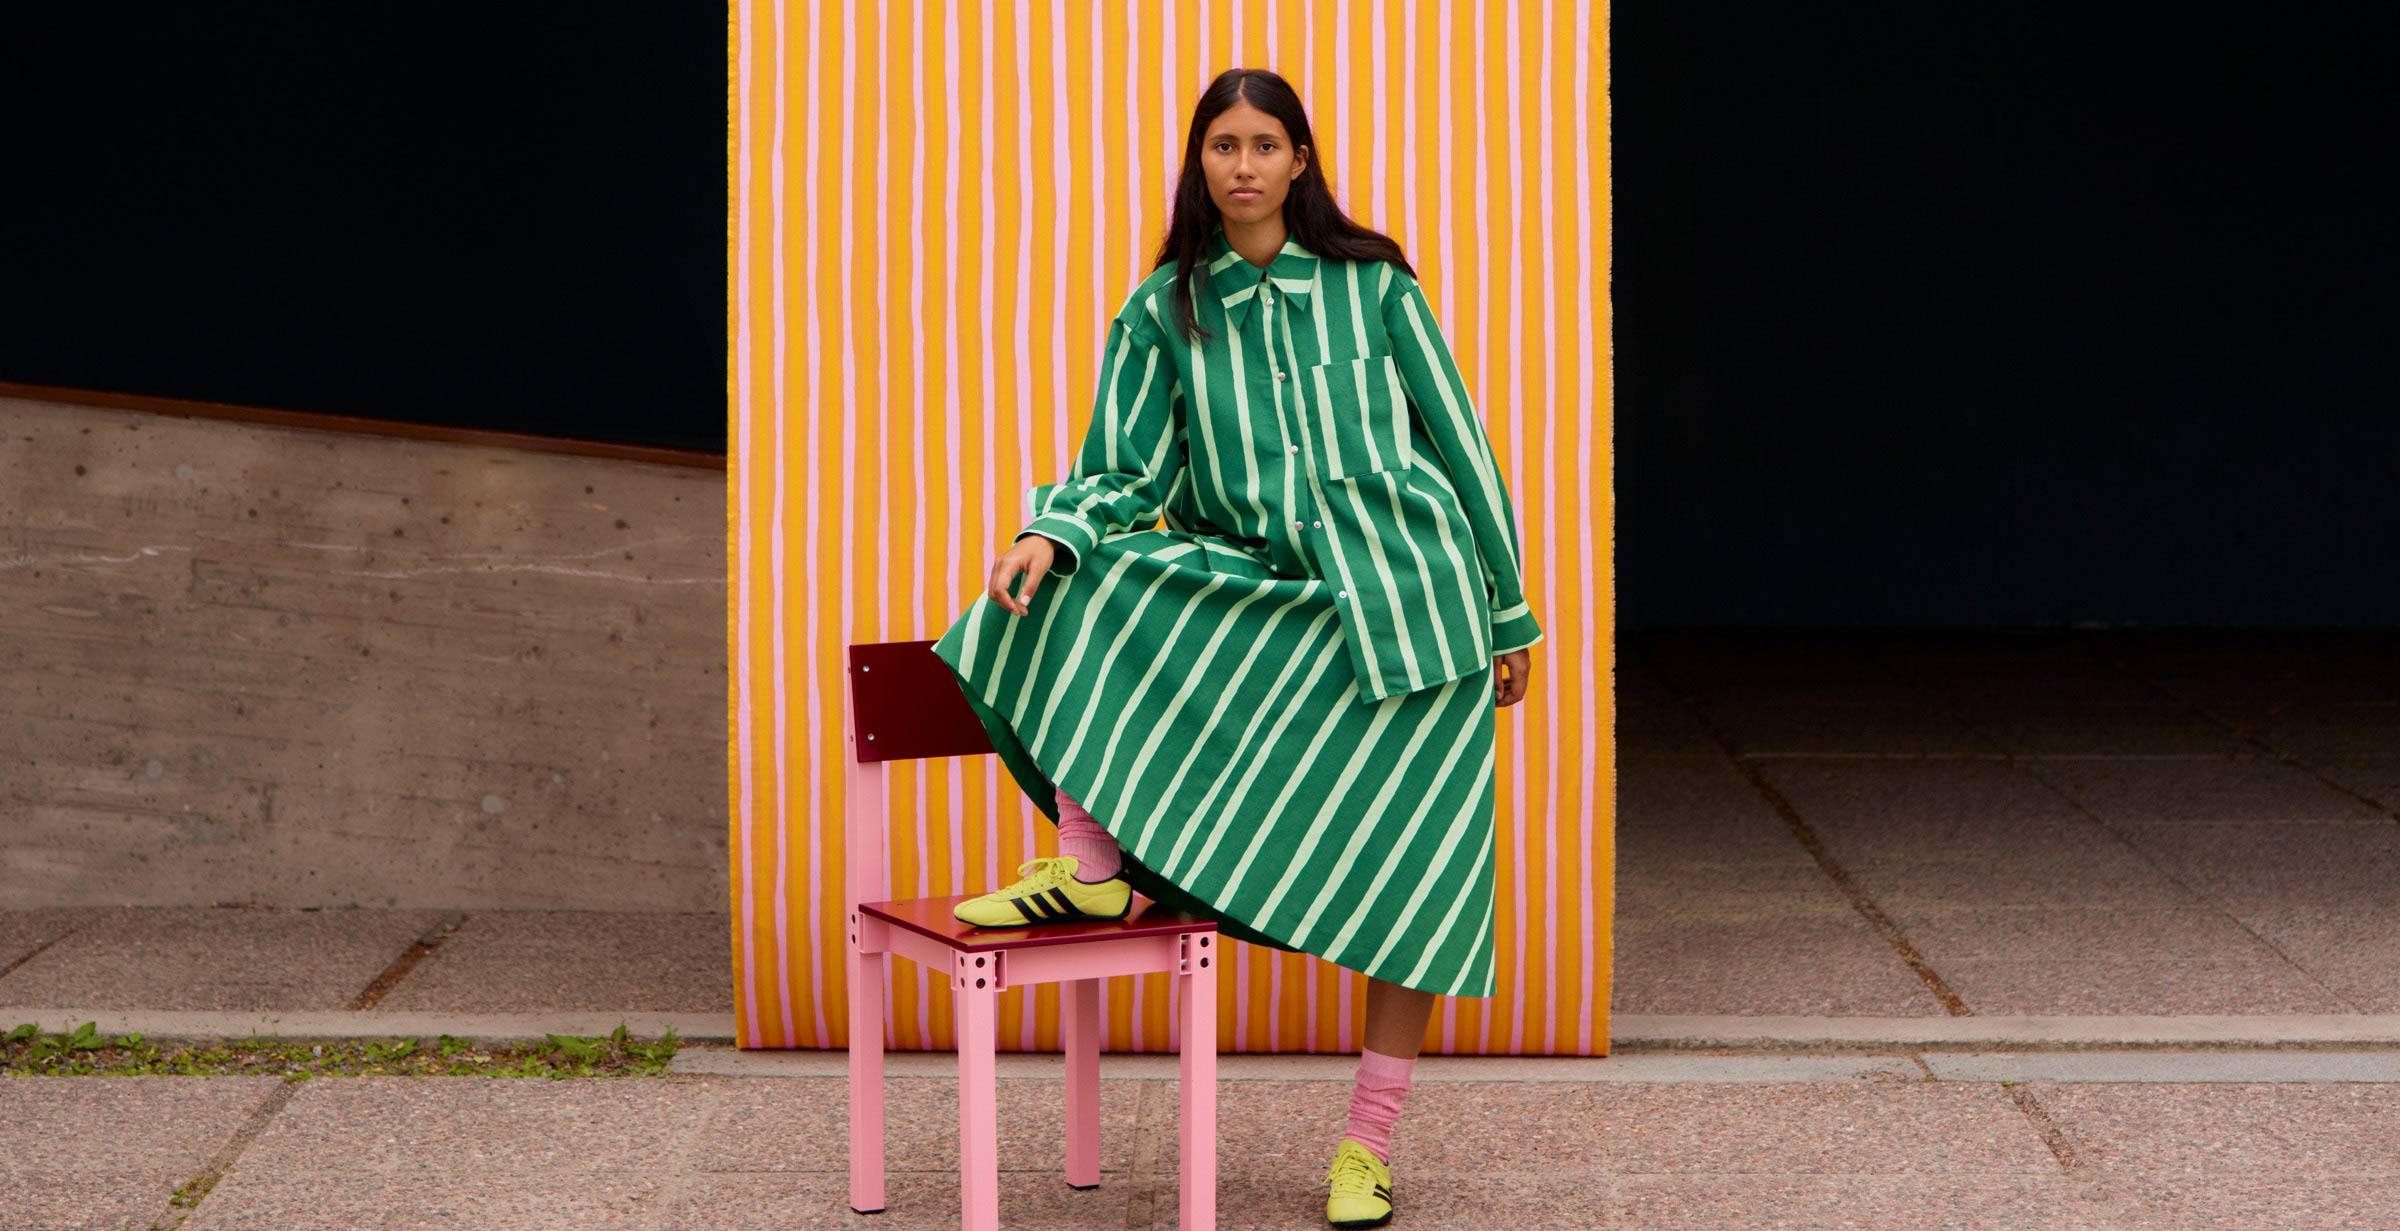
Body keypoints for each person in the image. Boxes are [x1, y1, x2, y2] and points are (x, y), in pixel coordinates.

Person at [929, 65, 1541, 1230]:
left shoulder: (1375, 287)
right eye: (1225, 145)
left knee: (1416, 881)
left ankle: (1365, 1148)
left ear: (1299, 161)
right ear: (1200, 163)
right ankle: (1091, 869)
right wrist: (1048, 533)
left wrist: (1508, 612)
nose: (1246, 165)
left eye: (1266, 144)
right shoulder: (1168, 305)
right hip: (1270, 601)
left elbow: (1462, 447)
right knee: (1092, 566)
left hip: (1411, 607)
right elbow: (1124, 468)